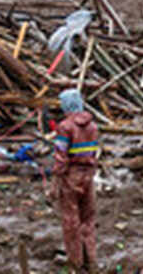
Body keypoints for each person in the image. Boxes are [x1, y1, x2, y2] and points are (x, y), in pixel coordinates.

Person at [52, 88, 99, 274]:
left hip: (71, 176)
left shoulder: (65, 127)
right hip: (89, 175)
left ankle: (75, 264)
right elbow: (94, 153)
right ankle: (92, 262)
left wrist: (56, 180)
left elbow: (61, 157)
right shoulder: (93, 127)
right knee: (88, 219)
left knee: (71, 221)